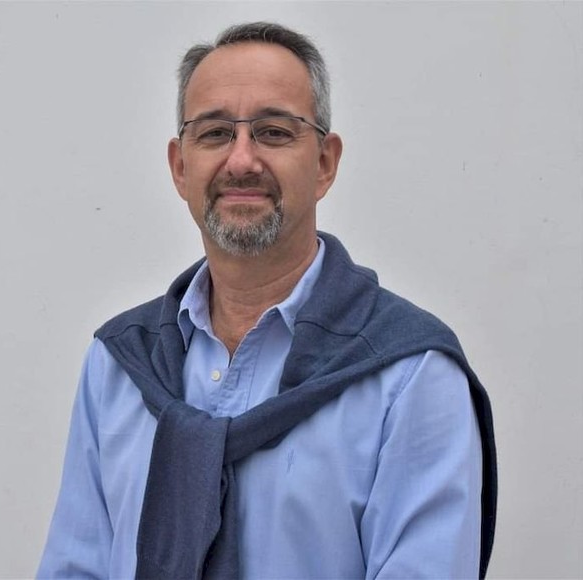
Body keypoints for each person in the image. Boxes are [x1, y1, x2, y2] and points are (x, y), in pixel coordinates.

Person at [37, 22, 496, 579]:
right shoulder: (117, 367)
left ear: (324, 163)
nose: (241, 161)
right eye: (214, 134)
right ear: (180, 167)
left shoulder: (411, 376)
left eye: (274, 132)